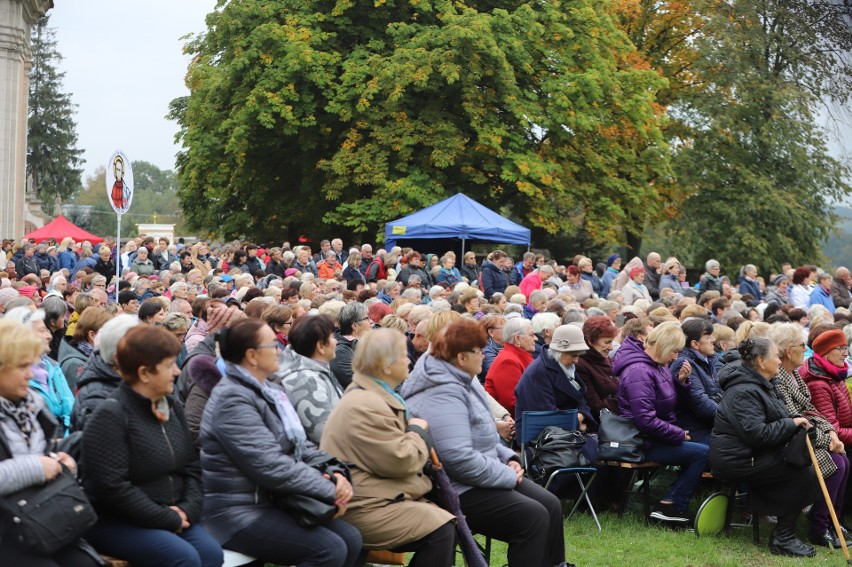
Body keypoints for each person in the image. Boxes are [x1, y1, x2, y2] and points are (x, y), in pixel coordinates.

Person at [401, 318, 567, 567]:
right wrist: (506, 474)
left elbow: (485, 436)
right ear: (461, 357)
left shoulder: (464, 379)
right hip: (456, 488)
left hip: (482, 474)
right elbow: (456, 458)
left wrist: (509, 458)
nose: (485, 355)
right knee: (533, 517)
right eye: (479, 351)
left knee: (551, 505)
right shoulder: (440, 391)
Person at [200, 318, 362, 566]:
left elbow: (300, 444)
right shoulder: (233, 399)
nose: (279, 349)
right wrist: (330, 491)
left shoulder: (268, 389)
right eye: (272, 345)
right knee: (328, 549)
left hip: (271, 501)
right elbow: (269, 465)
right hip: (236, 512)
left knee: (351, 538)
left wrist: (335, 472)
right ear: (252, 356)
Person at [81, 325, 223, 567]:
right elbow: (112, 488)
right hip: (119, 520)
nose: (177, 371)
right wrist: (167, 517)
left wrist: (187, 510)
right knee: (183, 558)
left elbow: (191, 467)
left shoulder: (171, 406)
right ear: (144, 373)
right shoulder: (112, 414)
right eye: (169, 365)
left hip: (173, 511)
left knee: (211, 554)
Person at [321, 329, 456, 565]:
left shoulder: (372, 396)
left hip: (379, 496)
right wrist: (418, 431)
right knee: (440, 528)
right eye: (403, 355)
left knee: (442, 519)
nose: (408, 360)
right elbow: (401, 460)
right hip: (362, 506)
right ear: (384, 366)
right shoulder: (366, 405)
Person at [0, 319, 101, 567]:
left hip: (38, 517)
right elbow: (33, 464)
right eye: (22, 366)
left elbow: (41, 454)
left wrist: (60, 463)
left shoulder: (29, 405)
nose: (30, 374)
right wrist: (38, 468)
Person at [710, 337, 819, 557]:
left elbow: (780, 416)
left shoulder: (765, 384)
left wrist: (796, 420)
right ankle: (783, 537)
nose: (780, 361)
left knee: (804, 467)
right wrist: (791, 424)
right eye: (776, 356)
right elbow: (757, 434)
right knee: (803, 475)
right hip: (737, 458)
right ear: (760, 361)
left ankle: (781, 529)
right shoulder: (743, 392)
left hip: (755, 454)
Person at [613, 321, 709, 523]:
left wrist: (681, 382)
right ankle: (671, 505)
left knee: (704, 449)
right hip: (642, 442)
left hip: (654, 437)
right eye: (674, 351)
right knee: (703, 454)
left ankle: (671, 502)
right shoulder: (639, 371)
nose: (676, 357)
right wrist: (677, 434)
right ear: (663, 346)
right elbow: (645, 420)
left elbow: (665, 401)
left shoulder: (658, 366)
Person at [770, 323, 850, 548]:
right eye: (801, 345)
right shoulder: (781, 379)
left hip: (808, 433)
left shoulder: (794, 373)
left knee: (842, 460)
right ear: (788, 351)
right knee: (837, 463)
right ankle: (820, 526)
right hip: (790, 441)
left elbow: (811, 410)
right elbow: (795, 416)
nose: (805, 350)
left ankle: (833, 522)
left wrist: (831, 432)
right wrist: (830, 439)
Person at [514, 324, 597, 439]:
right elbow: (547, 416)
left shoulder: (563, 364)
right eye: (573, 355)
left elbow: (581, 399)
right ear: (558, 352)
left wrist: (581, 415)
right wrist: (577, 423)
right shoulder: (539, 373)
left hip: (564, 433)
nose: (576, 360)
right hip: (542, 441)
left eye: (579, 355)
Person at [273, 314, 343, 445]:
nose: (336, 341)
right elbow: (326, 436)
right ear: (320, 347)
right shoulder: (307, 381)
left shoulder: (312, 369)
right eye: (333, 337)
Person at [4, 308, 75, 437]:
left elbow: (70, 407)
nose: (49, 336)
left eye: (47, 330)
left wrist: (66, 438)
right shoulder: (13, 380)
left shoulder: (52, 366)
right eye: (42, 331)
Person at [670, 318, 720, 445]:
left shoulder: (708, 360)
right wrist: (729, 416)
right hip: (694, 427)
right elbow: (699, 401)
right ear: (695, 344)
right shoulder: (684, 363)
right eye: (708, 337)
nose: (713, 340)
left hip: (710, 423)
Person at [484, 317, 536, 418]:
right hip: (513, 424)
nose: (536, 339)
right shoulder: (508, 361)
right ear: (517, 339)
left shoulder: (518, 356)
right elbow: (513, 403)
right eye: (531, 335)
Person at [575, 315, 620, 420]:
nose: (611, 347)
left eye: (611, 341)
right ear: (591, 341)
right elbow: (595, 406)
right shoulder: (581, 365)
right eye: (607, 342)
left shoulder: (604, 357)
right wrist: (623, 399)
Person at [330, 302, 371, 389]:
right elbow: (357, 383)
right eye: (367, 318)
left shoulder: (366, 344)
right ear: (355, 326)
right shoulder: (341, 352)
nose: (371, 322)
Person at [478, 314, 506, 384]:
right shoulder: (485, 350)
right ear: (491, 332)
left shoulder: (502, 345)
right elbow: (497, 375)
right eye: (505, 328)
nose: (509, 331)